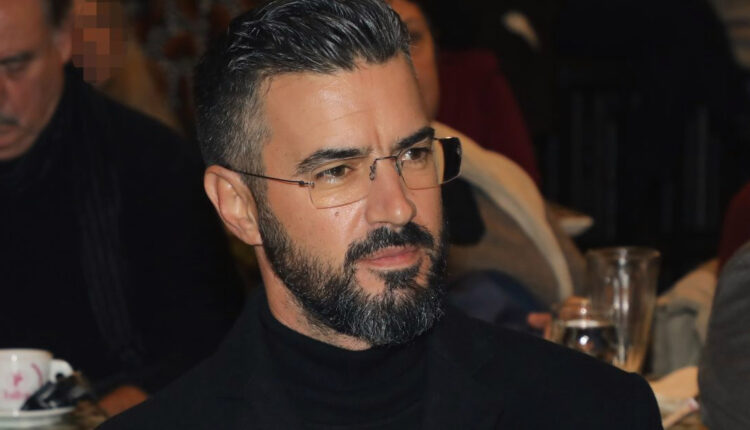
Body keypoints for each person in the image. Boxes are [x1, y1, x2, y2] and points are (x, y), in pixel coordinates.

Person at [100, 0, 662, 428]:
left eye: (414, 155)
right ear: (238, 206)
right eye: (337, 171)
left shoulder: (593, 410)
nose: (399, 205)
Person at [0, 0, 243, 415]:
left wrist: (80, 422)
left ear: (64, 40)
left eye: (15, 65)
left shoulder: (151, 164)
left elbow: (208, 350)